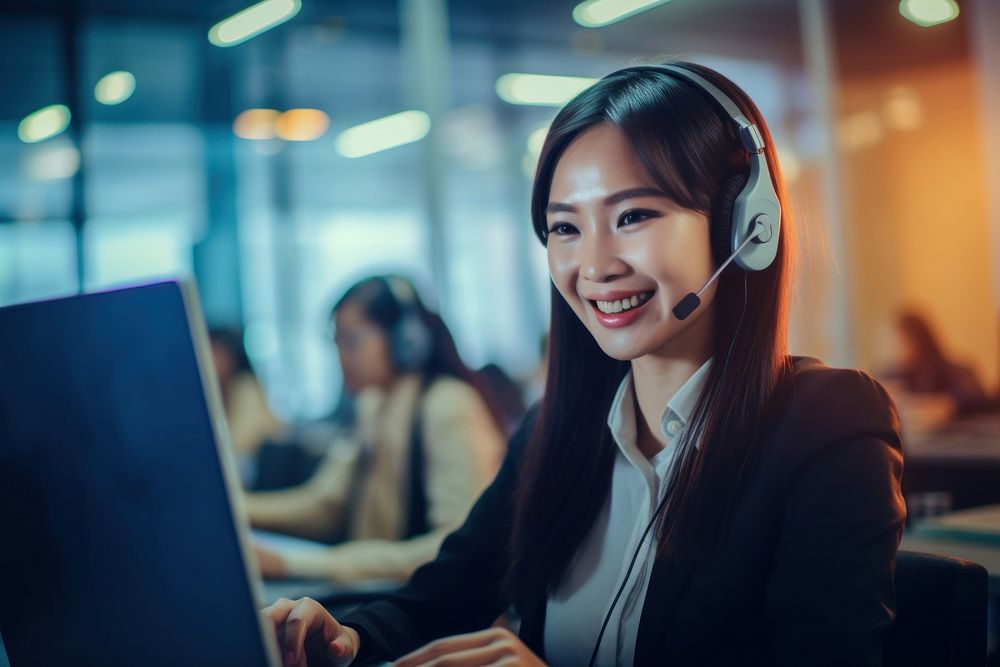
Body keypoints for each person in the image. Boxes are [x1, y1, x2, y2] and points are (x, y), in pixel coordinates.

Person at [262, 62, 906, 666]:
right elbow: (445, 594)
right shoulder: (556, 431)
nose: (594, 267)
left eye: (633, 215)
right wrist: (345, 637)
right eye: (565, 228)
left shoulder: (826, 425)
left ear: (745, 225)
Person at [247, 275, 506, 583]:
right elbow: (324, 504)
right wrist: (234, 508)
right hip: (382, 590)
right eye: (337, 343)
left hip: (435, 608)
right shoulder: (373, 405)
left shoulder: (447, 405)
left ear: (405, 339)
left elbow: (455, 546)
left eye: (352, 341)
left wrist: (296, 563)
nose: (341, 358)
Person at [881, 309, 990, 419]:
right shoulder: (893, 373)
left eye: (902, 342)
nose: (896, 349)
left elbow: (973, 396)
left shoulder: (950, 370)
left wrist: (943, 405)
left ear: (920, 341)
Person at [208, 327, 286, 469]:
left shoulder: (245, 386)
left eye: (213, 352)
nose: (207, 361)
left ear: (230, 357)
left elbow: (241, 442)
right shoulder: (216, 393)